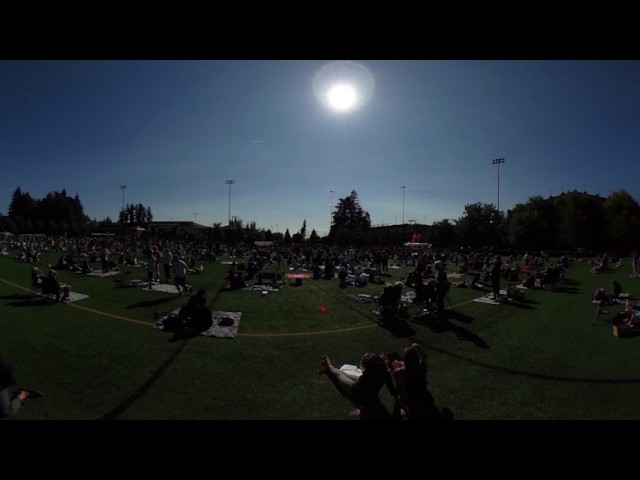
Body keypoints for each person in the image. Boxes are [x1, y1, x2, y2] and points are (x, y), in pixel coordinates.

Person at [321, 353, 400, 420]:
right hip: (362, 386)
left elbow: (363, 395)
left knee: (339, 374)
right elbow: (390, 386)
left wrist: (362, 410)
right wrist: (397, 399)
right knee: (345, 374)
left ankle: (328, 365)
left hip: (354, 389)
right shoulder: (384, 372)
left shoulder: (366, 377)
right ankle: (328, 365)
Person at [0, 354, 43, 418]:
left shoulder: (3, 368)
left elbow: (9, 380)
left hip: (2, 382)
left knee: (7, 412)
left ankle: (23, 394)